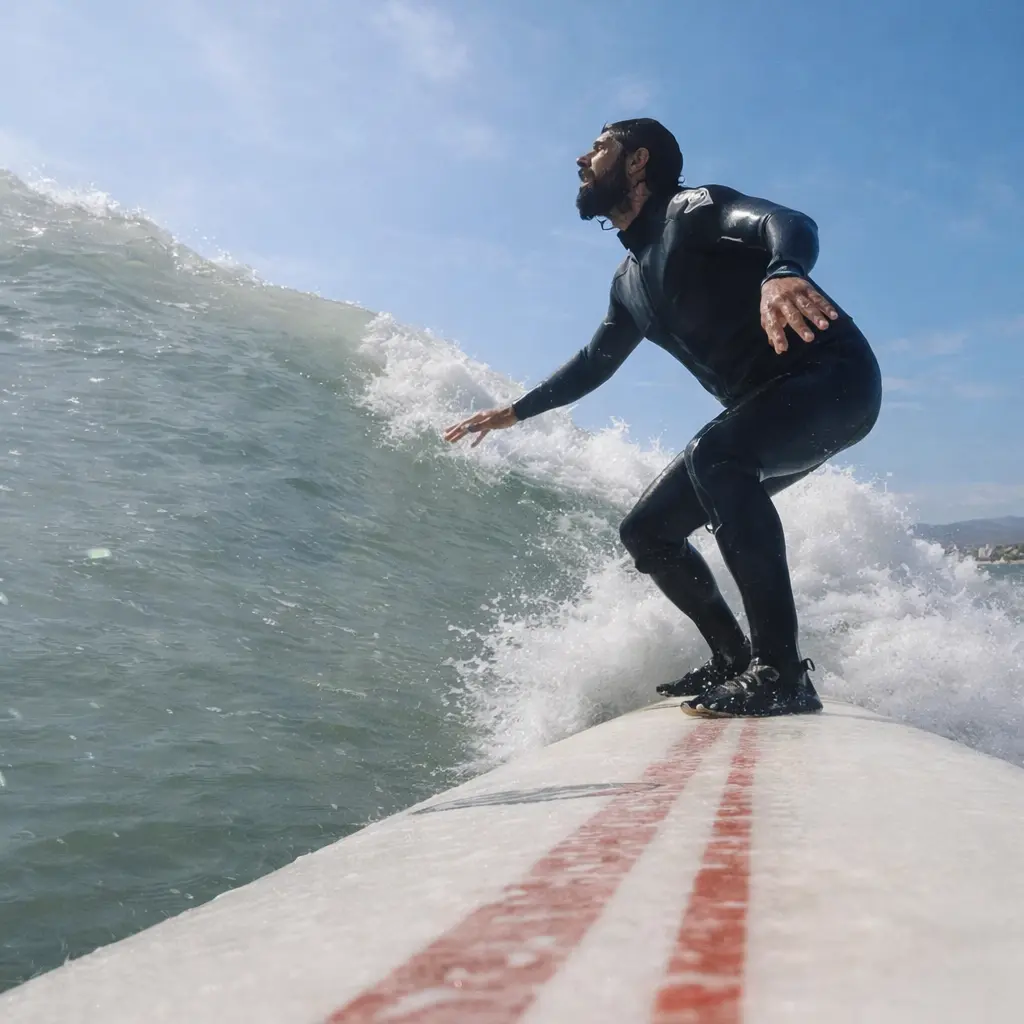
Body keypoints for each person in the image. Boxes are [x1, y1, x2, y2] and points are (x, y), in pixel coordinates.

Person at [444, 118, 881, 717]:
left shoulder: (692, 211)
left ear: (637, 162)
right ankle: (732, 657)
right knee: (647, 531)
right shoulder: (629, 282)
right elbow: (593, 364)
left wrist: (782, 271)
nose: (582, 157)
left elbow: (789, 222)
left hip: (836, 380)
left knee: (717, 456)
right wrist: (515, 412)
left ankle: (781, 673)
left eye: (599, 147)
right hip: (769, 408)